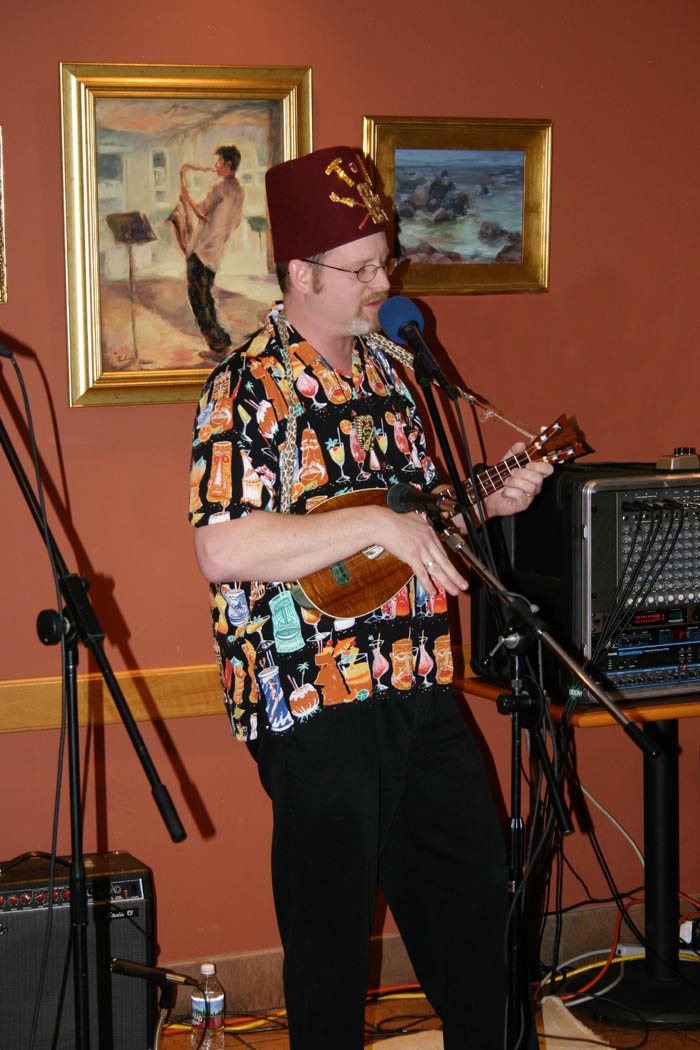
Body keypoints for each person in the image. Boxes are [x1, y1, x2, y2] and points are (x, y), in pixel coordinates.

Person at [188, 145, 553, 1050]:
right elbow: (223, 546)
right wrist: (374, 527)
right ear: (302, 273)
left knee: (478, 917)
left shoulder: (394, 372)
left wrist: (486, 501)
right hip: (314, 706)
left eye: (384, 261)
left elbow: (416, 529)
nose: (381, 282)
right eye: (361, 268)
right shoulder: (244, 388)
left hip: (419, 684)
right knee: (329, 951)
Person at [180, 144, 244, 355]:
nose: (214, 166)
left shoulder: (219, 187)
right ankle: (221, 341)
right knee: (205, 297)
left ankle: (217, 345)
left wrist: (186, 198)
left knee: (198, 300)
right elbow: (234, 223)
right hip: (215, 252)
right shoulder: (239, 190)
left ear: (227, 164)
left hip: (201, 250)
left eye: (218, 162)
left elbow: (201, 211)